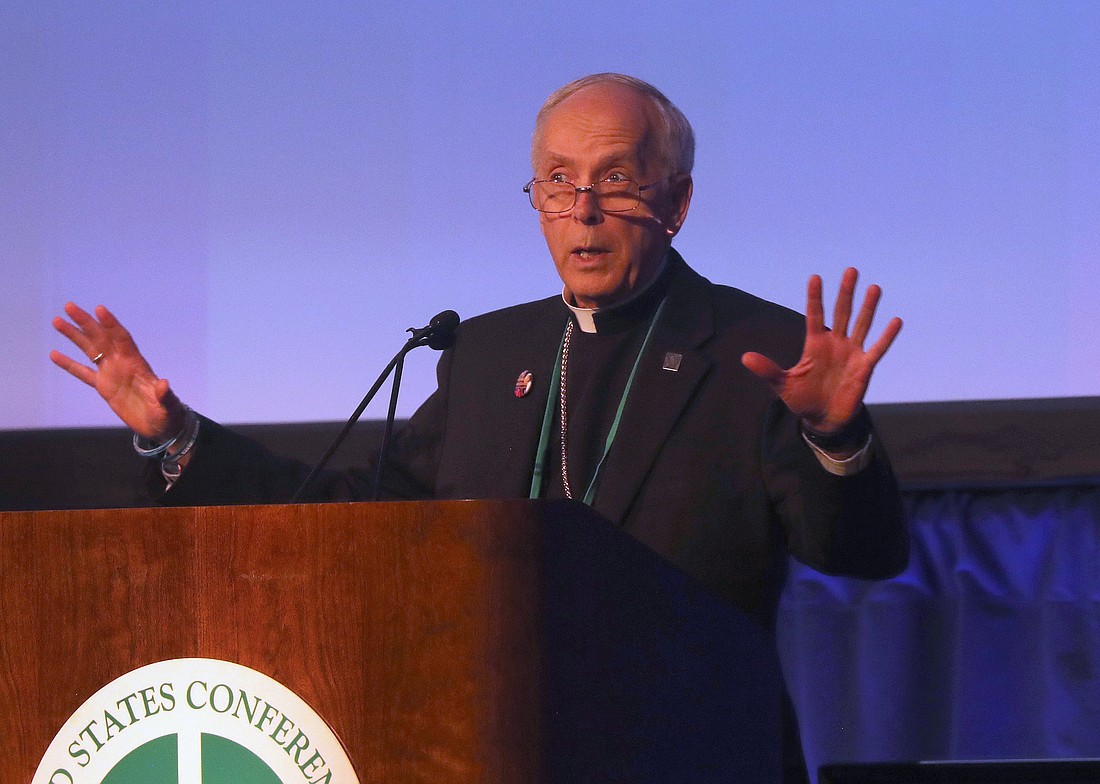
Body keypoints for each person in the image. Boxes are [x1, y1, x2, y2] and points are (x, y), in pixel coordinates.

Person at [52, 73, 907, 781]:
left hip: (688, 753)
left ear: (676, 202)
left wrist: (836, 439)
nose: (584, 209)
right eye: (558, 182)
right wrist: (178, 436)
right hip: (482, 749)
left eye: (615, 179)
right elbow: (359, 512)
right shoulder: (490, 352)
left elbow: (860, 554)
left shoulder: (759, 352)